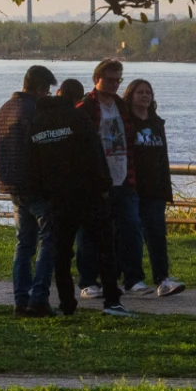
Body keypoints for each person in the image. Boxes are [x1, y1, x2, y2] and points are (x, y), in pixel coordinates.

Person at [32, 79, 132, 317]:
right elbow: (94, 154)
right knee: (104, 248)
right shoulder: (78, 119)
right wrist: (105, 186)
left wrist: (44, 190)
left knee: (62, 252)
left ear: (58, 93)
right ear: (78, 99)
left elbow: (33, 161)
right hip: (88, 194)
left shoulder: (36, 123)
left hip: (57, 197)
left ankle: (67, 303)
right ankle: (111, 301)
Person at [74, 59, 147, 297]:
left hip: (124, 178)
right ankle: (88, 281)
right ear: (98, 79)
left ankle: (133, 279)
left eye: (119, 79)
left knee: (130, 229)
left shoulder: (121, 106)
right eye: (111, 79)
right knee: (90, 233)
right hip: (96, 183)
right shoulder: (85, 107)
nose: (115, 83)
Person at [0, 65, 58, 318]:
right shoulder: (33, 111)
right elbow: (42, 150)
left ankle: (21, 299)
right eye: (47, 91)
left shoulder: (4, 110)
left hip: (12, 185)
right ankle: (39, 298)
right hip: (35, 186)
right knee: (50, 239)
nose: (48, 96)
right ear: (41, 88)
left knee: (24, 244)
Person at [122, 78, 183, 297]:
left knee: (157, 233)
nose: (145, 96)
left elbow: (162, 158)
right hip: (132, 188)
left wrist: (167, 188)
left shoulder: (156, 123)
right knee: (132, 234)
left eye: (148, 92)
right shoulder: (126, 122)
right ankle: (133, 279)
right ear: (131, 95)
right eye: (140, 92)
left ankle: (163, 279)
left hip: (155, 189)